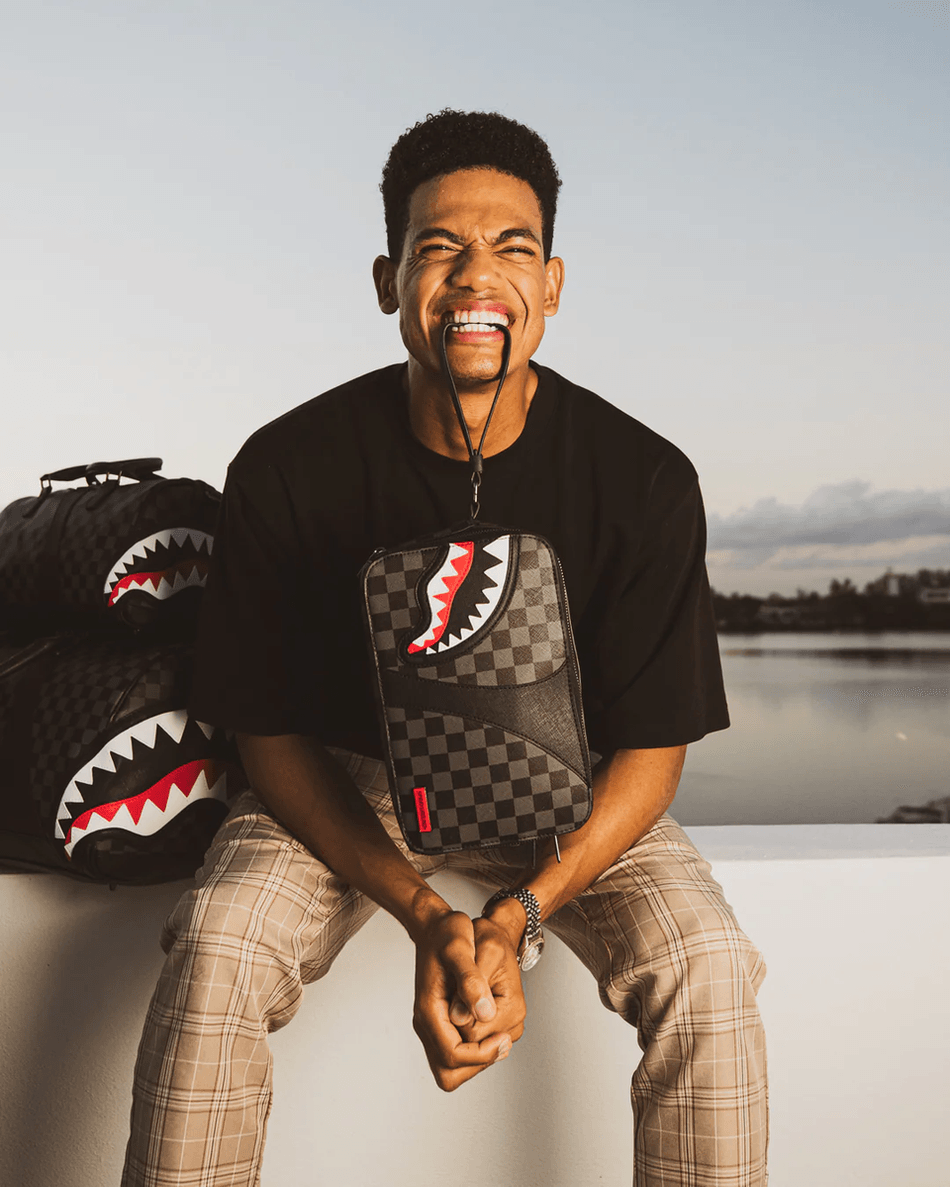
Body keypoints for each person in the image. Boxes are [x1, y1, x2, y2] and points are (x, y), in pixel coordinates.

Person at [122, 109, 768, 1187]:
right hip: (353, 778)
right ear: (389, 282)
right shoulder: (286, 465)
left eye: (512, 246)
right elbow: (268, 735)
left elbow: (654, 753)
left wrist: (517, 914)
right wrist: (424, 912)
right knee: (220, 944)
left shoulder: (644, 478)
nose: (476, 276)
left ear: (551, 285)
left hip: (567, 785)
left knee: (708, 960)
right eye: (439, 246)